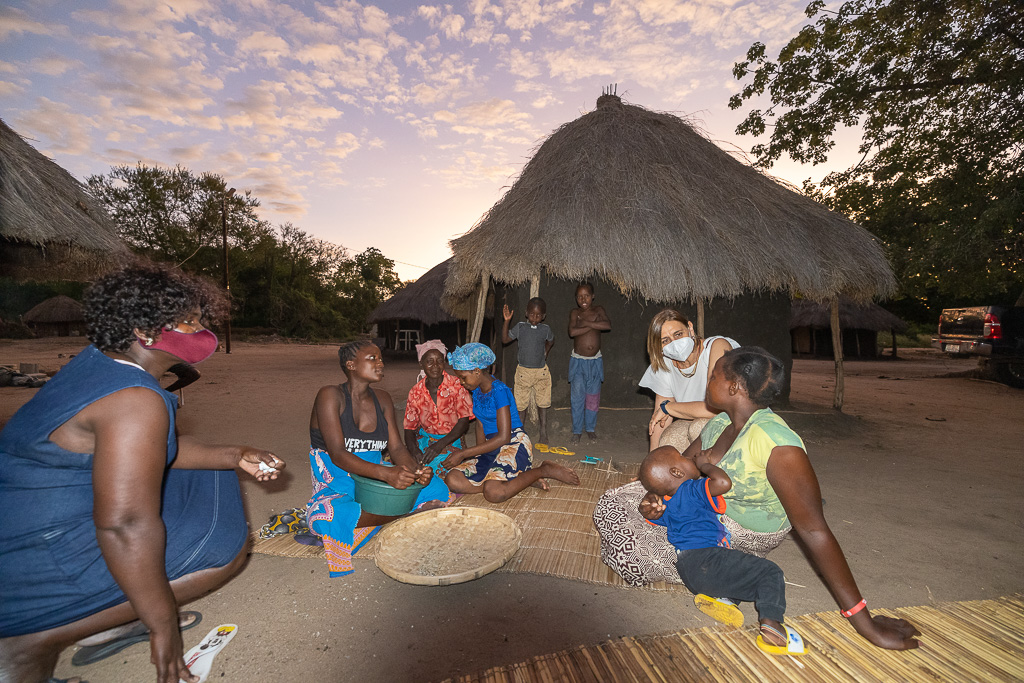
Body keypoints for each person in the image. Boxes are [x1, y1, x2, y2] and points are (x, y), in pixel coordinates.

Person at [0, 265, 284, 683]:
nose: (202, 331)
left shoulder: (100, 361)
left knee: (214, 474)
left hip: (27, 517)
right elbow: (124, 525)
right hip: (39, 549)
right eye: (189, 321)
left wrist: (235, 453)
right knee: (221, 547)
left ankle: (111, 619)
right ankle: (25, 644)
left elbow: (146, 453)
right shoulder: (134, 400)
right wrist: (162, 624)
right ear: (144, 331)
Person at [638, 446, 804, 655]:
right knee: (769, 572)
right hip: (706, 557)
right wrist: (705, 465)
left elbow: (654, 517)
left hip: (690, 570)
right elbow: (724, 483)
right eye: (683, 457)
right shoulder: (690, 489)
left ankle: (724, 600)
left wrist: (648, 509)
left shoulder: (669, 505)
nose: (689, 457)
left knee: (742, 576)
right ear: (677, 473)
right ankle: (772, 624)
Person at [306, 341, 448, 577]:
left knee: (437, 488)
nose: (381, 363)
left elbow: (396, 448)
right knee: (330, 515)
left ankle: (387, 514)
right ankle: (404, 514)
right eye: (372, 358)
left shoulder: (382, 399)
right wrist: (387, 474)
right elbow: (338, 455)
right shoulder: (330, 396)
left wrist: (416, 470)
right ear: (350, 365)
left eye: (381, 358)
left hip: (374, 477)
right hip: (337, 479)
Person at [440, 343, 580, 502]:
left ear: (477, 371)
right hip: (492, 447)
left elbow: (504, 437)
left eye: (462, 377)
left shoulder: (499, 391)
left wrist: (465, 453)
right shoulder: (477, 392)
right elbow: (480, 425)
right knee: (452, 479)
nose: (460, 382)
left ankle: (543, 470)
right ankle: (519, 481)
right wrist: (480, 457)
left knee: (494, 493)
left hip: (513, 442)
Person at [639, 309, 739, 450]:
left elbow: (717, 409)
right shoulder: (665, 364)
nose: (674, 343)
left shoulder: (717, 347)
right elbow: (660, 419)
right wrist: (652, 461)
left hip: (736, 421)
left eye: (678, 334)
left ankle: (722, 471)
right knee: (668, 441)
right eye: (665, 340)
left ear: (690, 328)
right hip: (695, 421)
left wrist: (669, 407)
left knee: (699, 428)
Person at [403, 339, 474, 472]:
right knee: (409, 466)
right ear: (421, 363)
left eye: (440, 361)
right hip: (425, 438)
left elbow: (464, 422)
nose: (435, 365)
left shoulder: (457, 385)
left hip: (452, 438)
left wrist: (439, 445)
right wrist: (414, 450)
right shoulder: (415, 391)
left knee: (442, 468)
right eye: (429, 361)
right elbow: (409, 428)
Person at [501, 298, 554, 443]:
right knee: (520, 404)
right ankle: (520, 431)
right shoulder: (520, 327)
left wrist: (546, 352)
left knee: (543, 402)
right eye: (532, 314)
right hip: (523, 372)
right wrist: (507, 321)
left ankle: (543, 431)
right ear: (526, 313)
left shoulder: (545, 329)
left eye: (538, 315)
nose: (534, 317)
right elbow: (505, 339)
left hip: (541, 372)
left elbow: (551, 340)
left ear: (543, 316)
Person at [567, 283, 611, 444]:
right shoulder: (575, 312)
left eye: (586, 295)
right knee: (577, 397)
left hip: (595, 362)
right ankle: (577, 430)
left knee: (593, 398)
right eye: (579, 296)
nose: (583, 299)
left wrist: (585, 324)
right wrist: (593, 324)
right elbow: (572, 332)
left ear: (593, 296)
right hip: (578, 362)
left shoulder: (598, 310)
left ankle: (590, 428)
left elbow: (607, 325)